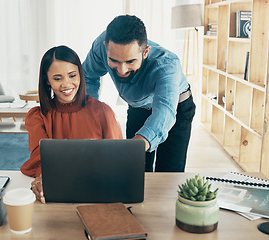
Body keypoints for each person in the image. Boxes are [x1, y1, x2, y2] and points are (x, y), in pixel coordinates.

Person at [83, 15, 196, 172]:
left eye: (130, 61)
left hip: (175, 108)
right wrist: (91, 115)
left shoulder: (167, 64)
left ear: (145, 52)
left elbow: (164, 112)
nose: (121, 70)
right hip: (137, 106)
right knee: (136, 170)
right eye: (114, 60)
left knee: (168, 175)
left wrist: (134, 147)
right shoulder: (101, 46)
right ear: (105, 47)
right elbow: (88, 76)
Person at [20, 45, 123, 203]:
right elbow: (40, 158)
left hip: (98, 192)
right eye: (57, 78)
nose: (66, 84)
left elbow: (117, 159)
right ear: (47, 80)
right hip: (58, 191)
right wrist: (42, 180)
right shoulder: (38, 117)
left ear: (80, 75)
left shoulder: (102, 111)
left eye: (72, 75)